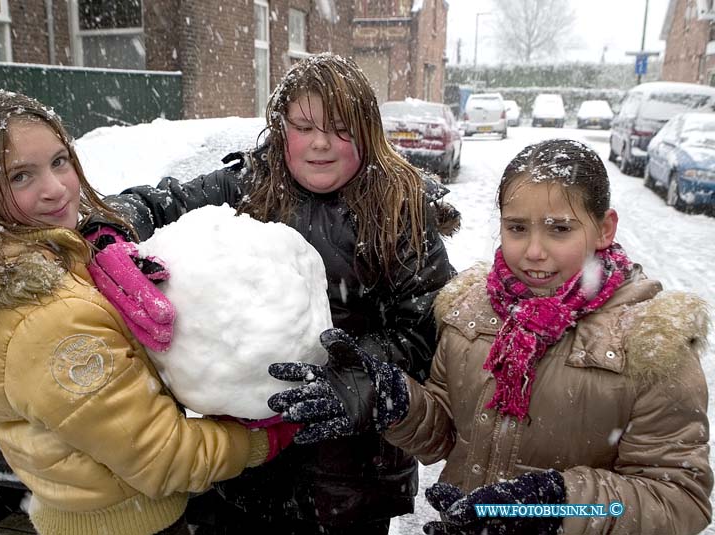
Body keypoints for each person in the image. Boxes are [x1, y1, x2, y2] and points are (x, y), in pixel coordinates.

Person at [88, 53, 457, 534]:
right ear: (282, 128)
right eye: (304, 126)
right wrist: (108, 231)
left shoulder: (401, 209)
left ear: (366, 130)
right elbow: (160, 202)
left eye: (341, 127)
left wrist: (353, 381)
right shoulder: (248, 185)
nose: (321, 143)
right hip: (246, 468)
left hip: (352, 478)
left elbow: (425, 332)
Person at [269, 139, 713, 535]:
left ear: (604, 228)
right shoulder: (470, 315)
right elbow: (445, 434)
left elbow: (679, 500)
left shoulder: (653, 344)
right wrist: (396, 401)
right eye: (517, 227)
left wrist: (556, 508)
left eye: (559, 228)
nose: (533, 251)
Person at [0, 89, 297, 535]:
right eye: (21, 176)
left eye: (60, 161)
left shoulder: (19, 272)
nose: (55, 189)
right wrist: (267, 437)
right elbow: (166, 457)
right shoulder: (46, 320)